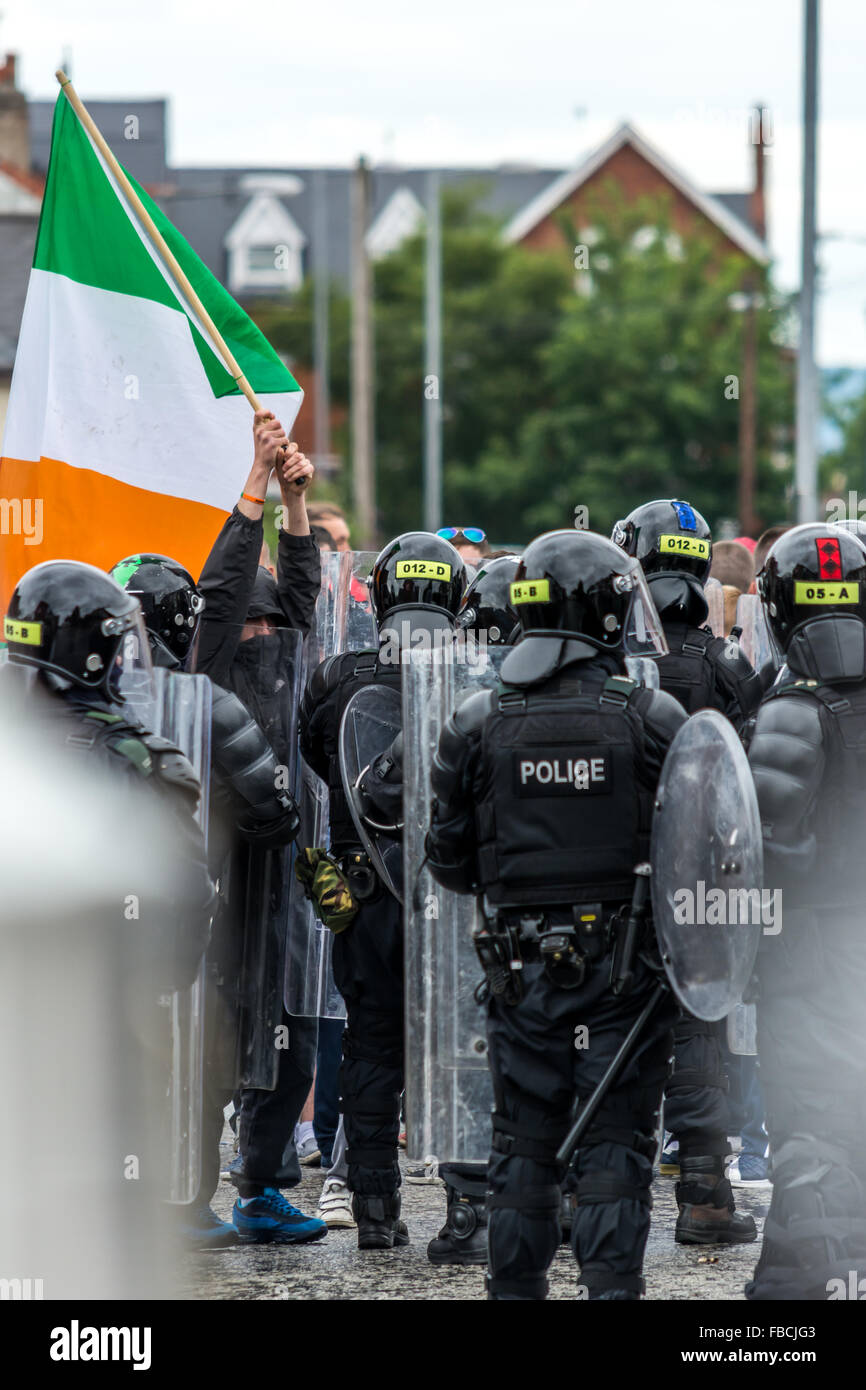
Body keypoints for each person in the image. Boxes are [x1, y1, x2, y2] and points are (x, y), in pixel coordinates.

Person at [424, 529, 686, 1300]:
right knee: (613, 1149)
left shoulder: (477, 720)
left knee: (522, 1147)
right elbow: (706, 850)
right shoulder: (651, 716)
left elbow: (447, 861)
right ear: (604, 612)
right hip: (625, 979)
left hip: (519, 976)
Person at [109, 551, 304, 1247]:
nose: (257, 635)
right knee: (188, 1055)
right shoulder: (203, 698)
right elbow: (276, 810)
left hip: (110, 927)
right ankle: (178, 1201)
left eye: (267, 623)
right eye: (244, 622)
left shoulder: (45, 704)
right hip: (191, 919)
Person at [299, 531, 467, 1249]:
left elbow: (316, 752)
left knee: (370, 1046)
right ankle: (469, 1213)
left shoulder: (338, 675)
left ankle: (374, 1211)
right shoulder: (477, 676)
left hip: (363, 897)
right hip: (450, 894)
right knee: (466, 1050)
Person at [612, 498, 759, 1246]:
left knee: (604, 1037)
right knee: (701, 1031)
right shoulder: (726, 664)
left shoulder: (604, 664)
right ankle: (704, 1194)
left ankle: (591, 1201)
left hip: (610, 883)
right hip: (700, 881)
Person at [746, 523, 866, 1299]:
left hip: (812, 956)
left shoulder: (793, 709)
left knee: (810, 1129)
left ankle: (816, 1293)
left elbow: (764, 852)